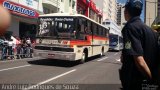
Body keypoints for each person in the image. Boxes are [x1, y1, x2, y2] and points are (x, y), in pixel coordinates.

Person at [120, 0, 159, 90]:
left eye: (124, 10)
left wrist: (150, 80)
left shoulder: (130, 28)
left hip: (136, 82)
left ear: (126, 11)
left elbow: (140, 61)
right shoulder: (151, 31)